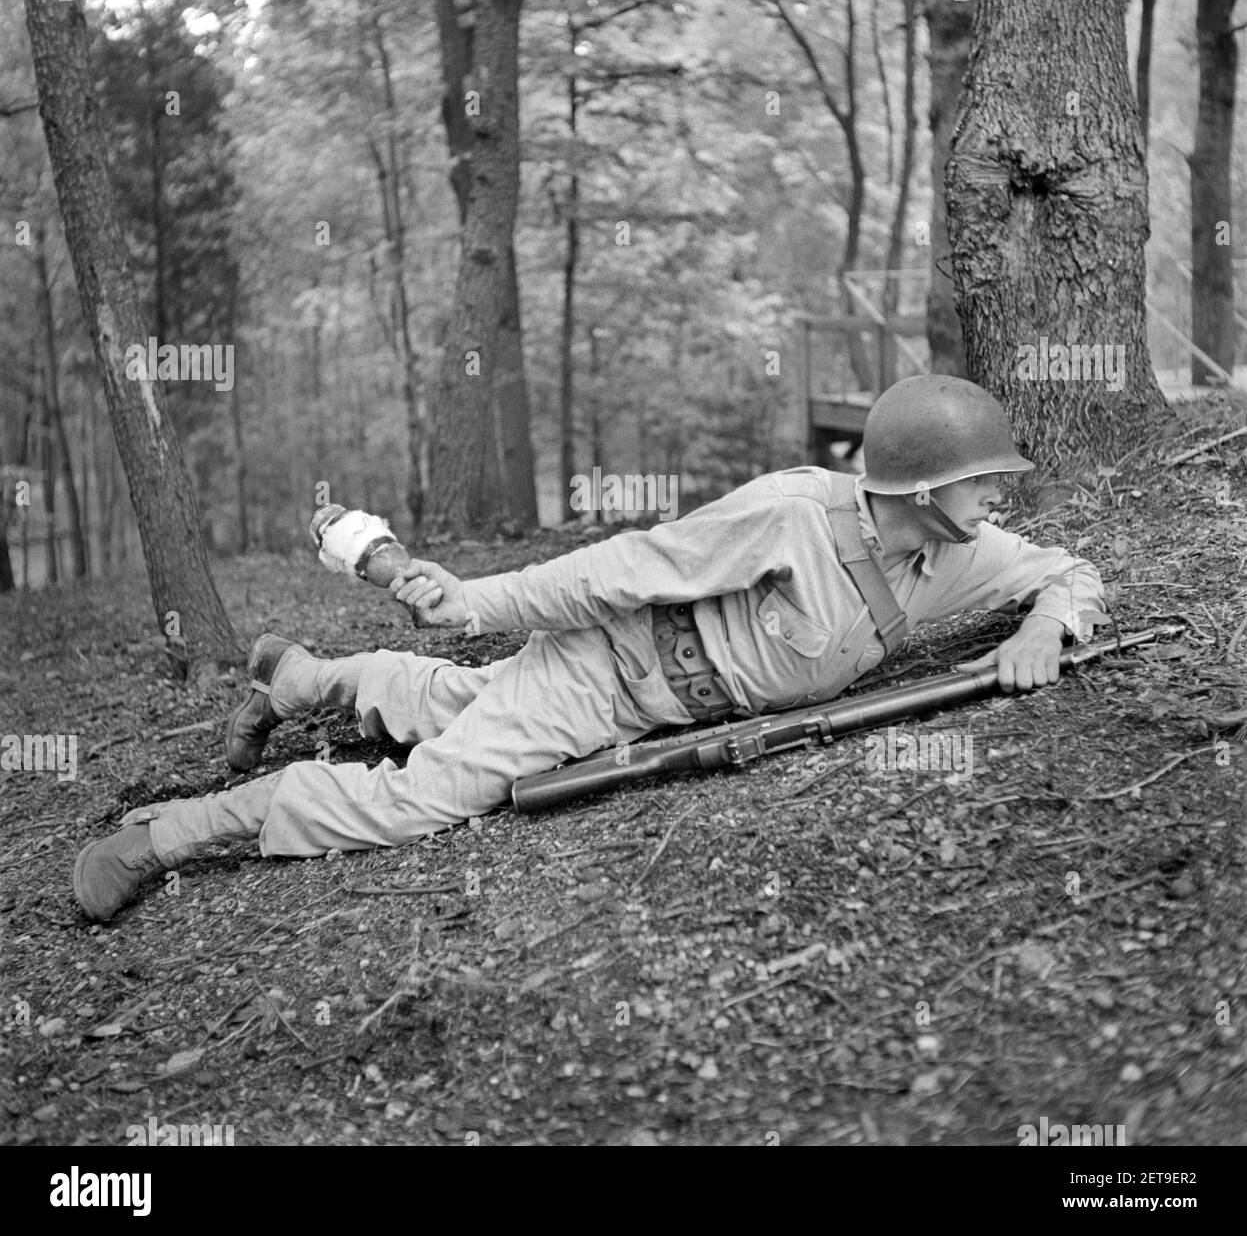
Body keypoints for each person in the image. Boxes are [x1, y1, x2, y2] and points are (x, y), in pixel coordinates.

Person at [73, 375, 1105, 923]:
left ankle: (300, 677)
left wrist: (1046, 625)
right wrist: (477, 596)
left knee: (454, 703)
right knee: (425, 796)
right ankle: (169, 833)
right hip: (599, 672)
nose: (999, 494)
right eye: (984, 479)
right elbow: (620, 569)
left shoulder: (957, 554)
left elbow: (1069, 573)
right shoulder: (791, 516)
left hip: (631, 706)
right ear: (924, 489)